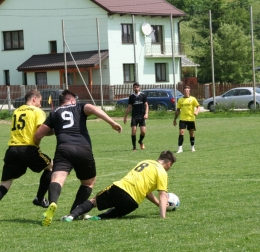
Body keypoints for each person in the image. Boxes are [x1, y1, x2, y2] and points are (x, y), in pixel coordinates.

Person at [33, 89, 122, 226]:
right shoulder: (79, 106)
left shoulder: (55, 112)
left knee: (57, 179)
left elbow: (39, 134)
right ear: (72, 100)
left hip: (63, 149)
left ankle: (52, 203)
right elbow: (92, 108)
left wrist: (56, 128)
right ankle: (74, 212)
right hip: (83, 149)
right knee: (88, 183)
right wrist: (112, 123)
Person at [61, 150, 176, 222]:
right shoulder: (162, 173)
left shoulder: (145, 162)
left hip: (120, 188)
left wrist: (159, 206)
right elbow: (162, 195)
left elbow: (154, 193)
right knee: (116, 213)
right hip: (132, 202)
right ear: (169, 163)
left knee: (94, 202)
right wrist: (163, 217)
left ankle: (71, 216)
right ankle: (96, 218)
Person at [0, 89, 53, 208]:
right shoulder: (37, 111)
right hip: (28, 149)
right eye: (40, 101)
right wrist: (54, 131)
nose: (40, 104)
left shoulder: (17, 111)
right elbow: (40, 132)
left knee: (6, 182)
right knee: (51, 167)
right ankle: (39, 198)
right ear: (34, 99)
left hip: (12, 149)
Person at [173, 86, 200, 153]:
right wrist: (175, 119)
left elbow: (198, 107)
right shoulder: (180, 100)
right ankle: (180, 148)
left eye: (187, 91)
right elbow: (178, 110)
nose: (186, 92)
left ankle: (192, 147)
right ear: (183, 92)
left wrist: (196, 111)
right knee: (181, 132)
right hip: (183, 119)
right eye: (185, 91)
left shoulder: (193, 99)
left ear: (189, 91)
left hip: (191, 119)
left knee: (191, 133)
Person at [124, 82, 149, 150]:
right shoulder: (131, 96)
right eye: (135, 87)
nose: (136, 88)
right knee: (134, 131)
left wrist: (146, 113)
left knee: (143, 132)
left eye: (137, 87)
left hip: (142, 116)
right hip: (134, 116)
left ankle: (140, 141)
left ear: (139, 87)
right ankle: (134, 147)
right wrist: (125, 117)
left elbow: (146, 105)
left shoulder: (143, 95)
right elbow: (129, 107)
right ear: (133, 88)